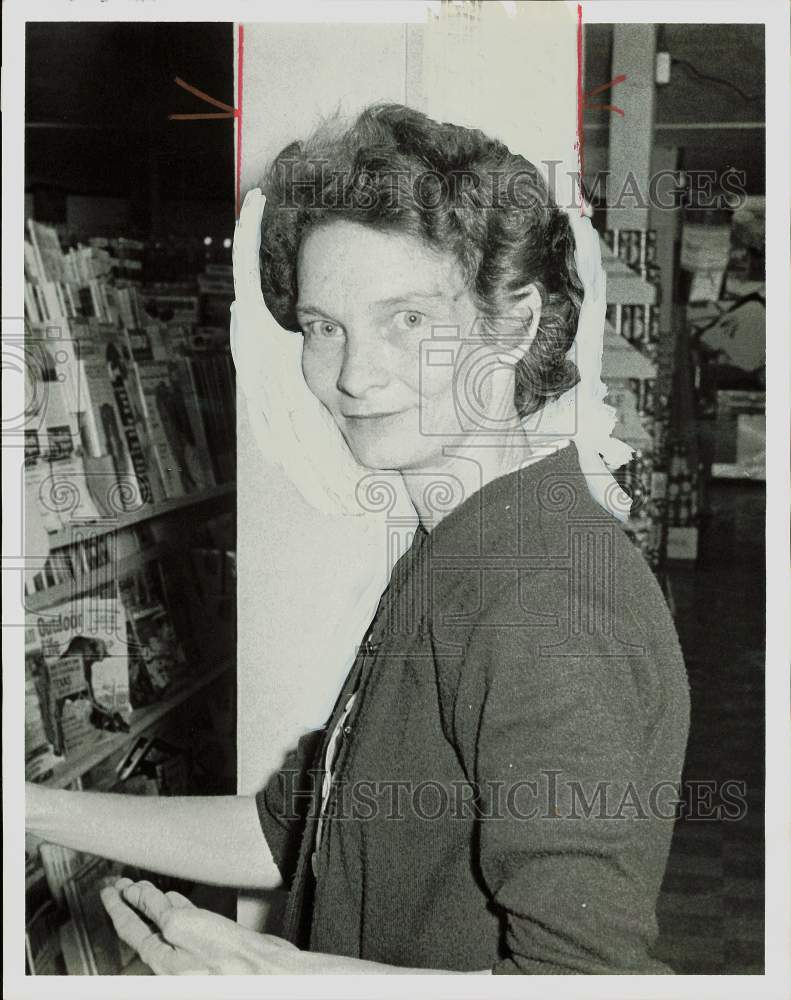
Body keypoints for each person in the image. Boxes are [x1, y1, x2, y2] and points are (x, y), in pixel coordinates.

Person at [26, 103, 690, 975]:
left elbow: (585, 980)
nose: (352, 373)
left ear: (517, 322)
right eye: (322, 326)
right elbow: (287, 827)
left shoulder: (547, 601)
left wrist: (275, 976)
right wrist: (29, 809)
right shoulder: (466, 547)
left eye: (407, 320)